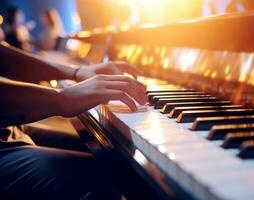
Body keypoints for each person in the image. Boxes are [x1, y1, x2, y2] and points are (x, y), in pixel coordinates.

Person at [0, 41, 148, 199]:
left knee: (109, 154)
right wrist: (62, 98)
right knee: (108, 177)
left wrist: (77, 72)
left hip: (8, 129)